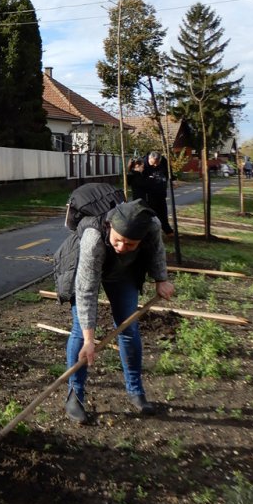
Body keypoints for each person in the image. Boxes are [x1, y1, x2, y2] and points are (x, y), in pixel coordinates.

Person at [65, 200, 174, 424]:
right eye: (118, 240)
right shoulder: (93, 238)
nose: (122, 247)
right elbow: (86, 291)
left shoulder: (151, 225)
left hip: (123, 271)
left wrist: (161, 279)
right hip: (87, 266)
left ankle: (136, 391)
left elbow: (156, 250)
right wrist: (89, 339)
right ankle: (74, 396)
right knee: (80, 331)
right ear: (110, 228)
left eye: (130, 244)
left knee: (127, 327)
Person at [142, 151, 174, 235]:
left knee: (163, 211)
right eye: (153, 163)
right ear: (149, 159)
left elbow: (169, 172)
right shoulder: (143, 163)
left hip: (161, 192)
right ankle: (150, 231)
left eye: (157, 163)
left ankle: (167, 229)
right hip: (149, 193)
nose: (155, 165)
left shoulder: (163, 161)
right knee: (151, 212)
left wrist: (171, 179)